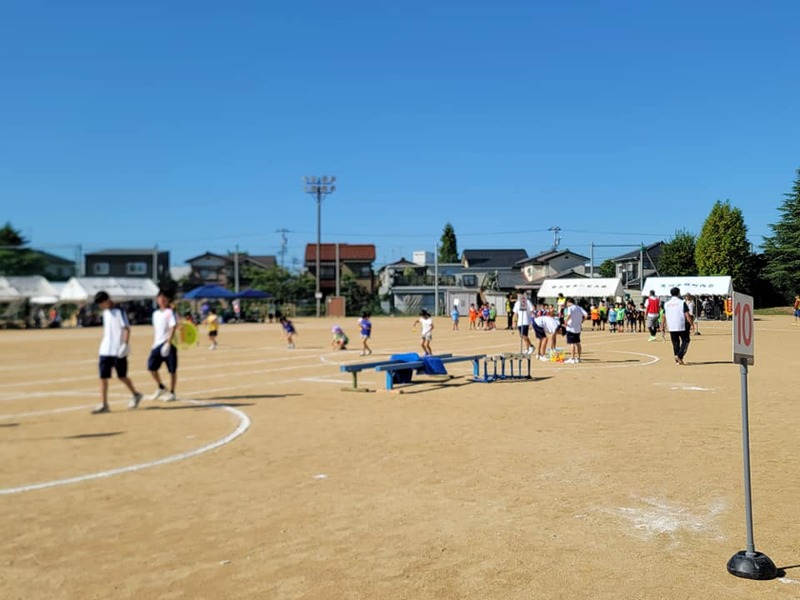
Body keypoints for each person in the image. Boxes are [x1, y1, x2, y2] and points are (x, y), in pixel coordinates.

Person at [92, 291, 143, 414]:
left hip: (118, 350)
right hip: (105, 349)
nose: (101, 306)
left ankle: (136, 394)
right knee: (103, 377)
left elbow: (126, 328)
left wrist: (125, 344)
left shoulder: (119, 311)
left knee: (122, 376)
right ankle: (104, 404)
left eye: (102, 303)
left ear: (107, 300)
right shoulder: (105, 313)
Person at [148, 288, 178, 402]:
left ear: (168, 300)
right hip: (157, 344)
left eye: (164, 298)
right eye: (160, 298)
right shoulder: (155, 314)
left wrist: (168, 343)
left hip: (168, 344)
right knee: (151, 367)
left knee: (172, 370)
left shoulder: (170, 312)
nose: (162, 300)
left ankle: (172, 392)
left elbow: (173, 327)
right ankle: (161, 387)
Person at [662, 287, 695, 365]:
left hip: (671, 326)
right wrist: (692, 324)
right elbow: (687, 315)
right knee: (686, 340)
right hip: (681, 325)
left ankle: (677, 360)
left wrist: (662, 325)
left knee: (675, 343)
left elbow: (663, 316)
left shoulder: (666, 304)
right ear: (678, 293)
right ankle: (679, 356)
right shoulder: (682, 302)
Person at [563, 297, 587, 364]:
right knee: (578, 343)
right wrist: (582, 321)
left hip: (570, 327)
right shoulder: (579, 308)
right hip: (578, 328)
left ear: (568, 302)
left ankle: (572, 358)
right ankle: (578, 358)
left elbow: (569, 315)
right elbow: (586, 315)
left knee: (572, 343)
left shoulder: (570, 308)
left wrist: (565, 322)